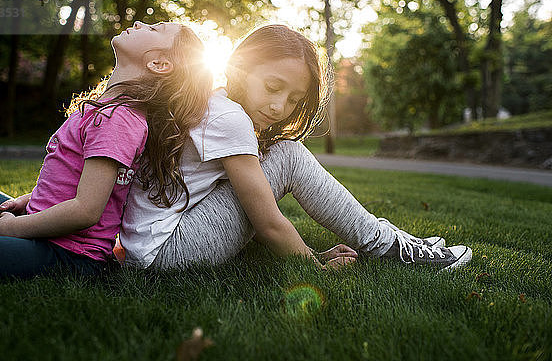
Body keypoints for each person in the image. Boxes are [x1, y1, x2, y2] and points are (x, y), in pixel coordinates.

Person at [118, 24, 472, 272]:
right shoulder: (230, 119)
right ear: (240, 70)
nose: (278, 107)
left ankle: (392, 239)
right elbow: (268, 221)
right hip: (167, 251)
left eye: (293, 98)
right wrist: (317, 269)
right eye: (273, 86)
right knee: (288, 155)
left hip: (148, 247)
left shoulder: (216, 105)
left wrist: (309, 251)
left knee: (281, 154)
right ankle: (390, 248)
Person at [0, 21, 213, 278]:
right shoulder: (109, 110)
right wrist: (28, 201)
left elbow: (86, 210)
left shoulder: (118, 119)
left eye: (154, 29)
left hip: (68, 254)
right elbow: (72, 182)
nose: (139, 22)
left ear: (159, 64)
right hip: (46, 229)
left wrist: (11, 228)